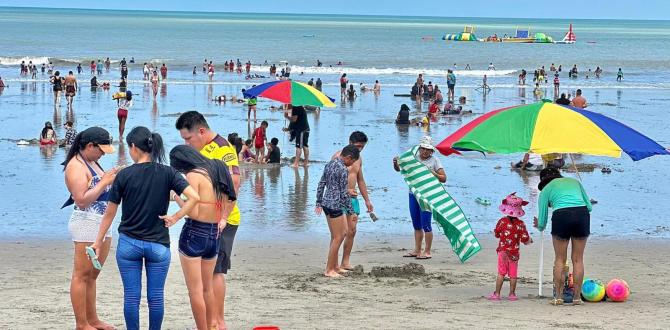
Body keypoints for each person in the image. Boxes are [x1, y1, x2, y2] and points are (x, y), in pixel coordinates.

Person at [90, 127, 199, 330]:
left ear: (133, 147)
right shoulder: (168, 172)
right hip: (158, 245)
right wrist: (175, 217)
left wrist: (97, 241)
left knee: (131, 297)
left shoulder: (124, 175)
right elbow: (194, 197)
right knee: (155, 298)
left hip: (128, 244)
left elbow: (110, 213)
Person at [175, 111, 241, 330]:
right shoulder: (201, 150)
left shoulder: (223, 148)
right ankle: (209, 321)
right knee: (207, 276)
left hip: (221, 220)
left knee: (216, 272)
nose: (187, 143)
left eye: (188, 138)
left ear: (201, 131)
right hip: (207, 219)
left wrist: (222, 218)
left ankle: (217, 321)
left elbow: (234, 184)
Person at [62, 127, 117, 330]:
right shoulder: (75, 166)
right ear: (89, 146)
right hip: (86, 222)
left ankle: (92, 319)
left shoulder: (92, 160)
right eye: (100, 149)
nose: (103, 153)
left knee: (93, 275)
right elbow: (82, 200)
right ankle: (81, 323)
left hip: (102, 222)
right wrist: (104, 182)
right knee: (81, 275)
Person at [533, 167, 593, 306]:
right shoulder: (574, 182)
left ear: (543, 181)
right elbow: (589, 206)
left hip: (561, 216)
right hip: (582, 214)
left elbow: (542, 221)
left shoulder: (545, 190)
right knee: (578, 259)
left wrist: (539, 225)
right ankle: (577, 298)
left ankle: (558, 298)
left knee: (560, 259)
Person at [392, 136, 446, 259]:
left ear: (431, 151)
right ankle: (417, 250)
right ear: (419, 148)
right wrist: (395, 163)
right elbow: (399, 169)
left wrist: (433, 173)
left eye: (428, 149)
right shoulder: (413, 159)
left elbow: (444, 178)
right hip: (413, 195)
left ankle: (427, 251)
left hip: (427, 196)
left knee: (426, 224)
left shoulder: (434, 161)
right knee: (416, 224)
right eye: (423, 149)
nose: (425, 151)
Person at [331, 132, 374, 270]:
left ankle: (345, 261)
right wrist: (346, 190)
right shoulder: (337, 157)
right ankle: (334, 263)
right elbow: (329, 182)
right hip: (338, 198)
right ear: (350, 142)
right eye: (357, 146)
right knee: (339, 233)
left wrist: (367, 200)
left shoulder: (358, 159)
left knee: (352, 230)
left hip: (353, 199)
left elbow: (360, 180)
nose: (360, 149)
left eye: (362, 147)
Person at [316, 144, 361, 277]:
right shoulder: (342, 169)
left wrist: (318, 201)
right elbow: (344, 193)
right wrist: (351, 211)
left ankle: (335, 266)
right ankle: (329, 269)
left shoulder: (329, 164)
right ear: (348, 157)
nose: (351, 165)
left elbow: (321, 183)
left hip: (326, 203)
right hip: (335, 205)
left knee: (341, 233)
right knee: (338, 237)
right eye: (352, 162)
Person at [489, 193, 532, 301]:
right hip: (514, 252)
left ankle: (497, 293)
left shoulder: (502, 221)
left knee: (501, 273)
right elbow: (525, 238)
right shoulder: (520, 224)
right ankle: (512, 294)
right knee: (513, 274)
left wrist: (499, 235)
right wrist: (529, 240)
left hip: (503, 250)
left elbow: (497, 232)